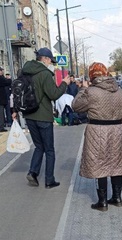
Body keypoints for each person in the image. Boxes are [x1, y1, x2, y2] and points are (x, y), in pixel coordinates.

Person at [72, 62, 122, 211]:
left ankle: (102, 202)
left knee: (100, 166)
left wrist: (83, 88)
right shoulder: (119, 91)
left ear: (92, 75)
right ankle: (117, 198)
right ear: (106, 74)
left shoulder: (91, 91)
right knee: (117, 165)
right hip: (118, 132)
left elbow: (75, 106)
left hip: (97, 131)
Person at [12, 47, 71, 189]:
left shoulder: (24, 71)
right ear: (44, 59)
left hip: (29, 115)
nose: (52, 63)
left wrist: (15, 110)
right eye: (51, 60)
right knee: (49, 149)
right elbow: (54, 94)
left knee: (39, 146)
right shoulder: (44, 74)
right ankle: (49, 180)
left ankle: (33, 172)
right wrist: (64, 83)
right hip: (43, 116)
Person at [0, 67, 12, 132]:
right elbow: (7, 82)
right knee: (1, 113)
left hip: (2, 99)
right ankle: (1, 127)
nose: (2, 72)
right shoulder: (1, 78)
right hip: (1, 100)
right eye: (1, 71)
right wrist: (9, 79)